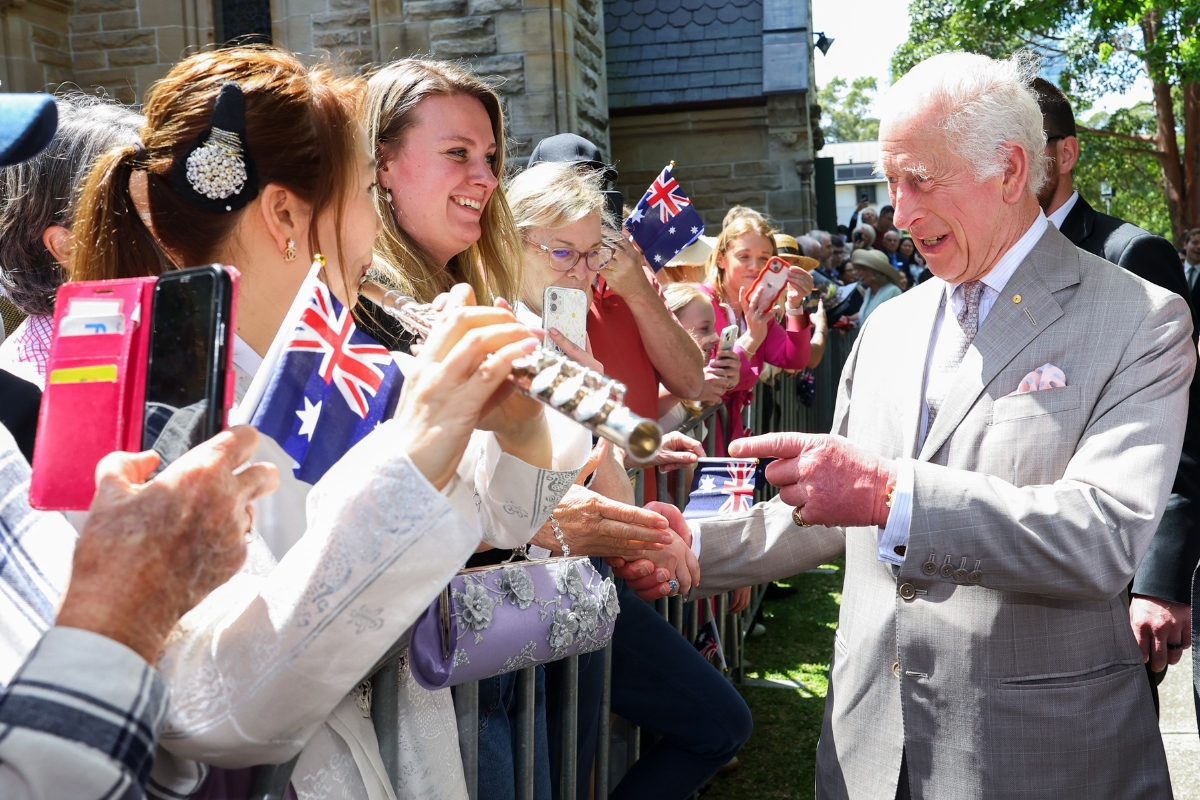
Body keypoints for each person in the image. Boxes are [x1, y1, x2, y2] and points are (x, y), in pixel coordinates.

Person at [618, 51, 1194, 798]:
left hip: (1038, 756)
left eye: (919, 180)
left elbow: (1101, 535)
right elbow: (832, 516)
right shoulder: (890, 326)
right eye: (891, 183)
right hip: (867, 751)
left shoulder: (1140, 320)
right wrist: (691, 546)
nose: (899, 210)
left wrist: (892, 493)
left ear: (1011, 171)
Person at [68, 47, 584, 800]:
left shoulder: (350, 368)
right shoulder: (157, 417)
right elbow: (214, 707)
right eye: (365, 197)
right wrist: (415, 450)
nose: (376, 233)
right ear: (286, 215)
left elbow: (512, 516)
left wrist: (521, 424)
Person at [1033, 76, 1200, 717]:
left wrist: (1161, 579)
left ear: (1067, 153)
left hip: (1113, 576)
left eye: (1027, 145)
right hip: (1018, 564)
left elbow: (1181, 430)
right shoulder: (981, 265)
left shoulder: (1132, 256)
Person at [525, 133, 706, 420]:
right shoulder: (518, 287)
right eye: (566, 185)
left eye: (596, 186)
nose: (583, 198)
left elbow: (691, 382)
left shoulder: (634, 275)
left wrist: (637, 291)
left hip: (631, 462)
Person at [0, 94, 142, 389]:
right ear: (68, 247)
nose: (179, 232)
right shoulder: (39, 394)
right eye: (149, 214)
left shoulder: (149, 332)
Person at [701, 212, 813, 452]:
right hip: (697, 435)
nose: (755, 267)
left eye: (764, 259)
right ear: (722, 259)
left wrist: (794, 305)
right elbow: (716, 377)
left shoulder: (758, 309)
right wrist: (752, 337)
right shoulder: (700, 302)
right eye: (744, 256)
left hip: (731, 431)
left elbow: (794, 358)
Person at [852, 248, 902, 324]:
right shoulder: (869, 292)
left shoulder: (893, 291)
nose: (859, 273)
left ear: (875, 272)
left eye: (864, 269)